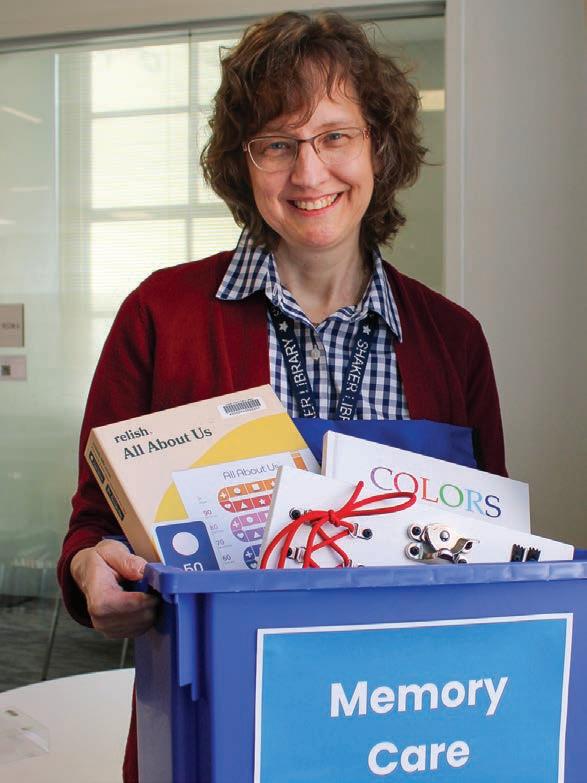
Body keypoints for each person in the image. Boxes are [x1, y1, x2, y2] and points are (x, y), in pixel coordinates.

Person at [58, 11, 506, 782]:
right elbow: (92, 529)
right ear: (243, 162)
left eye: (334, 136)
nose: (308, 172)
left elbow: (491, 550)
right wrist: (90, 569)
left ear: (378, 147)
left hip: (407, 725)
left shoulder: (452, 339)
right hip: (214, 723)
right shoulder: (160, 316)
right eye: (276, 144)